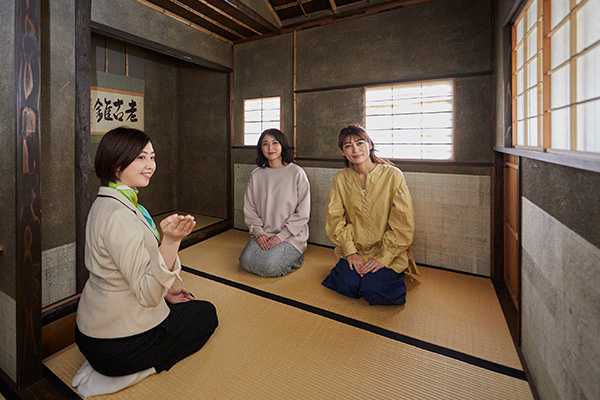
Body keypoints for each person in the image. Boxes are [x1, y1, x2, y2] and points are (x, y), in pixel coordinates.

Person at [74, 127, 218, 396]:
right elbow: (148, 294)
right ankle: (123, 375)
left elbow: (139, 273)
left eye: (152, 157)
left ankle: (103, 366)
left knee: (186, 306)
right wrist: (172, 241)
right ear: (117, 163)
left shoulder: (110, 201)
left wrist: (169, 292)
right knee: (205, 315)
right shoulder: (120, 215)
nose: (150, 165)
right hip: (117, 346)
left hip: (95, 332)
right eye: (141, 158)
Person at [322, 124, 417, 305]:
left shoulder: (393, 175)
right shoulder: (340, 179)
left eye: (360, 143)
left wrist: (384, 257)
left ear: (370, 144)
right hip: (355, 249)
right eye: (348, 146)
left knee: (373, 289)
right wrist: (350, 252)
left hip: (387, 250)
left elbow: (403, 223)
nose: (355, 150)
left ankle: (387, 276)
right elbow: (335, 218)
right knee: (347, 285)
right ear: (343, 152)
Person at [239, 128, 310, 277]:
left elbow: (303, 213)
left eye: (275, 143)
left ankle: (296, 257)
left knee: (269, 268)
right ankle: (277, 255)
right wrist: (259, 234)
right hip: (264, 233)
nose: (270, 148)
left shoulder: (297, 173)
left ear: (282, 145)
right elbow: (249, 208)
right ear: (261, 148)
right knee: (245, 262)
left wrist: (280, 237)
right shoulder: (256, 175)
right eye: (265, 144)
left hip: (291, 235)